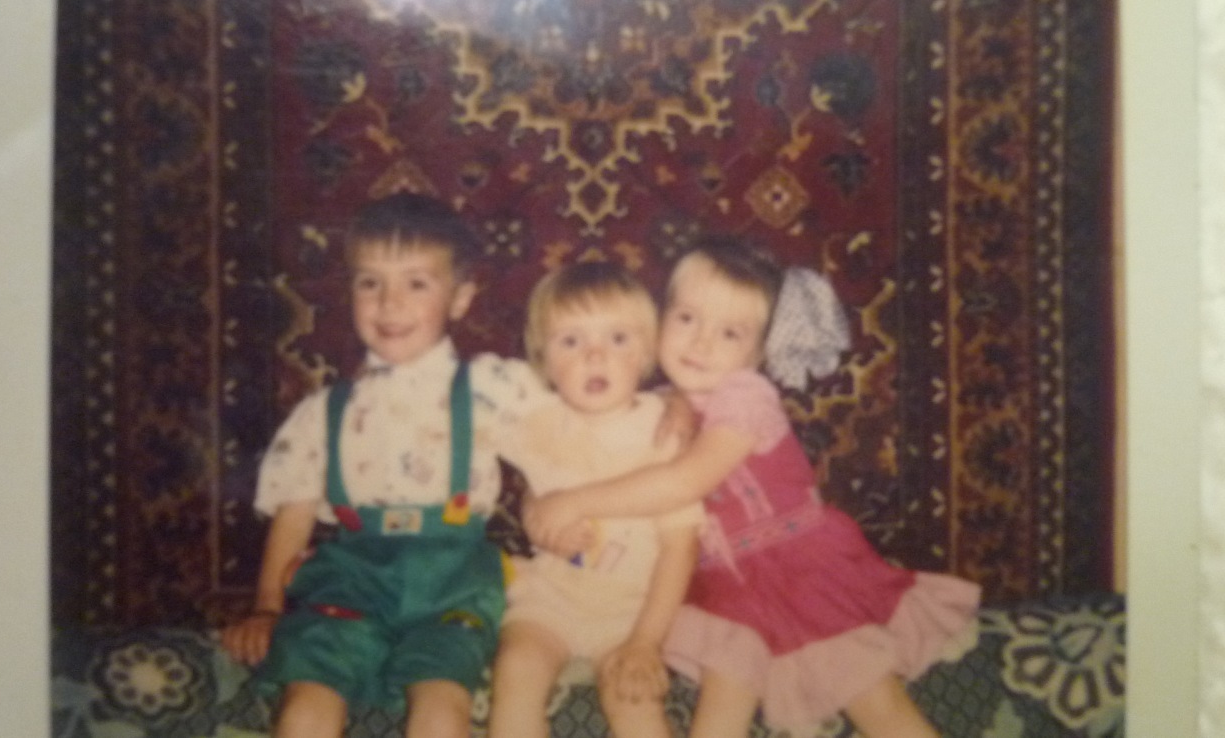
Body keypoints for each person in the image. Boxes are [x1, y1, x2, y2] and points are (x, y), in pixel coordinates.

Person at [526, 236, 981, 738]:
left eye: (730, 333)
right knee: (720, 711)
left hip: (799, 565)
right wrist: (545, 510)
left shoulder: (748, 397)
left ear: (759, 353)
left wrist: (573, 503)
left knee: (873, 699)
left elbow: (687, 481)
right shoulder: (655, 402)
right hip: (724, 584)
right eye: (687, 318)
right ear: (660, 319)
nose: (701, 343)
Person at [220, 192, 550, 738]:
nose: (389, 303)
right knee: (306, 702)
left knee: (441, 706)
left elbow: (586, 415)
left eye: (416, 284)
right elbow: (295, 511)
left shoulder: (490, 386)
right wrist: (267, 607)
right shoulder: (322, 411)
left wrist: (672, 404)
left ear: (460, 298)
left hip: (453, 581)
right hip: (351, 580)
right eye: (370, 283)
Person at [487, 262, 701, 738]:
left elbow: (680, 547)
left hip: (633, 612)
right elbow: (509, 467)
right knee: (516, 671)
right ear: (543, 360)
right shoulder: (537, 422)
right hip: (550, 600)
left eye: (618, 339)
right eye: (571, 341)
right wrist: (534, 516)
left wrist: (645, 642)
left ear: (646, 353)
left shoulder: (664, 433)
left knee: (635, 701)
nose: (595, 356)